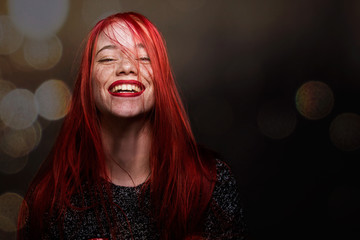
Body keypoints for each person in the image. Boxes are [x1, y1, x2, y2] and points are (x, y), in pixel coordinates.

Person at [17, 12, 246, 240]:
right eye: (107, 59)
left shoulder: (210, 184)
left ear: (161, 80)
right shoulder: (49, 202)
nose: (127, 67)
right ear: (88, 83)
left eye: (144, 57)